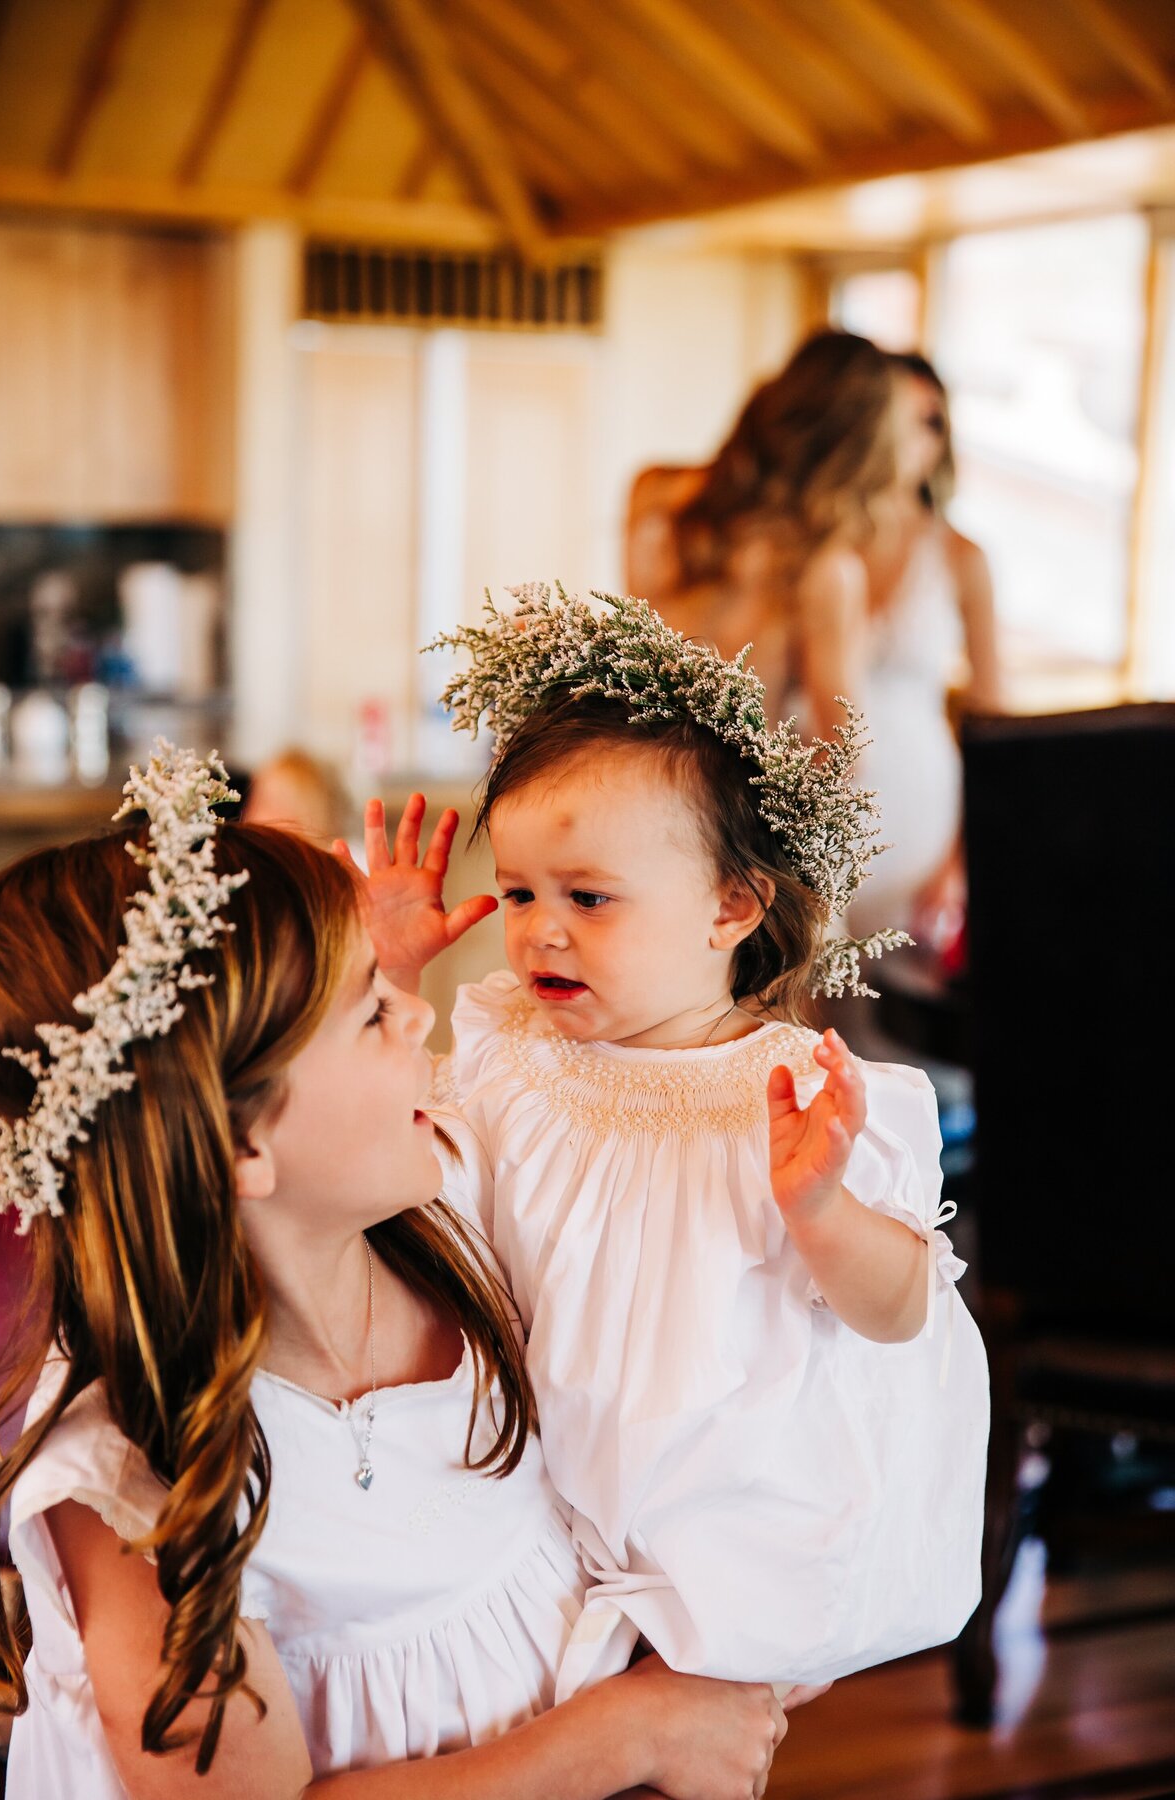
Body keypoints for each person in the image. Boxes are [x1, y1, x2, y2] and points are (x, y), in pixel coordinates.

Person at [0, 745, 786, 1798]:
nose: (422, 1015)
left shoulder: (458, 1219)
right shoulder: (141, 1478)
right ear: (239, 1147)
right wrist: (630, 1737)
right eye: (373, 1012)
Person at [357, 589, 990, 1705]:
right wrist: (389, 982)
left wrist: (825, 1211)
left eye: (589, 898)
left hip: (727, 1550)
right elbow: (403, 1156)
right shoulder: (515, 1045)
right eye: (516, 891)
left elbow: (901, 1315)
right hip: (529, 1514)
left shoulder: (804, 1099)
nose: (541, 928)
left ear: (730, 908)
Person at [623, 330, 899, 718]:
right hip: (736, 778)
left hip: (639, 753)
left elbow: (639, 643)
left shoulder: (653, 492)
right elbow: (842, 752)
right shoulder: (826, 571)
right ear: (861, 451)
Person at [841, 351, 1000, 940]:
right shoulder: (815, 545)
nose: (916, 437)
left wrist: (963, 857)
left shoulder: (961, 556)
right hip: (812, 802)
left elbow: (993, 718)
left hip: (919, 814)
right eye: (903, 416)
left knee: (892, 1010)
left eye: (933, 421)